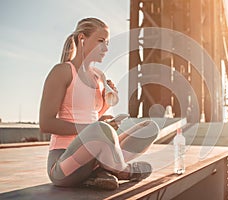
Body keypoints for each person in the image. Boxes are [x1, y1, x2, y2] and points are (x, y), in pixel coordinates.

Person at [39, 17, 159, 190]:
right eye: (101, 41)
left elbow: (91, 117)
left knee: (150, 127)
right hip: (64, 164)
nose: (106, 48)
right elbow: (46, 123)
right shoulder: (63, 71)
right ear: (82, 39)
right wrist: (96, 127)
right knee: (99, 129)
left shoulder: (98, 77)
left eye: (107, 42)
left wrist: (107, 111)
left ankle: (102, 170)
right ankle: (122, 170)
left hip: (96, 155)